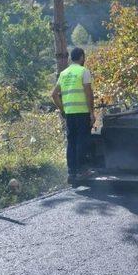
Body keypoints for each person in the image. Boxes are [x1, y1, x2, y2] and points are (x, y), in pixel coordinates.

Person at [51, 47, 95, 181]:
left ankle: (71, 172)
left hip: (69, 114)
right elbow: (88, 93)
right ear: (82, 57)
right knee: (82, 140)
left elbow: (53, 95)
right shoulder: (83, 71)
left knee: (71, 142)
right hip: (82, 112)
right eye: (84, 57)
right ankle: (83, 170)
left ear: (71, 58)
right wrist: (92, 113)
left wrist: (63, 109)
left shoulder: (63, 73)